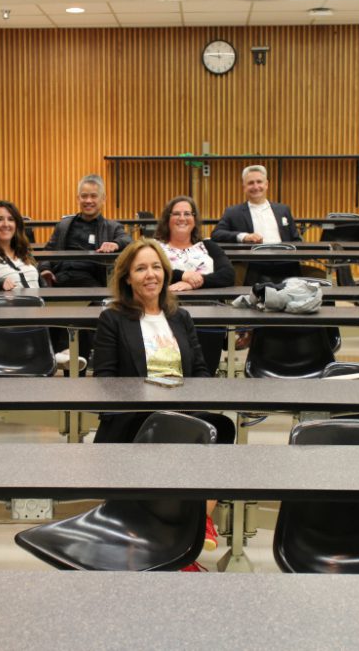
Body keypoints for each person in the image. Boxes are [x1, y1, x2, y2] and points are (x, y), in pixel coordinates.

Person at [92, 238, 236, 570]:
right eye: (141, 268)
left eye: (156, 267)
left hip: (182, 410)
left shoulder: (180, 316)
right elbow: (105, 381)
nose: (150, 275)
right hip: (136, 417)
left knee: (221, 428)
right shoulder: (113, 318)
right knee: (174, 440)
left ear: (166, 273)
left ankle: (197, 522)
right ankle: (180, 541)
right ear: (127, 277)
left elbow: (199, 369)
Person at [39, 174, 132, 366]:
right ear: (78, 198)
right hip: (59, 281)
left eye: (93, 196)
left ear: (103, 199)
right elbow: (48, 252)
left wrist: (114, 244)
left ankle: (73, 359)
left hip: (91, 284)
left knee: (90, 316)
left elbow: (128, 241)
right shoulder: (64, 225)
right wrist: (45, 270)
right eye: (84, 196)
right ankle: (56, 358)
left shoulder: (112, 227)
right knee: (42, 309)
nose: (88, 201)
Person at [154, 195, 235, 375]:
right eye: (176, 214)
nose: (182, 218)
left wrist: (196, 283)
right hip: (167, 316)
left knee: (204, 372)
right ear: (167, 219)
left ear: (194, 219)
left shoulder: (208, 246)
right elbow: (152, 275)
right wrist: (182, 275)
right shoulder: (156, 247)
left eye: (187, 213)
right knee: (170, 373)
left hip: (209, 317)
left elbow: (228, 275)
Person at [211, 164, 302, 284]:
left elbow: (295, 239)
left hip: (286, 265)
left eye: (259, 182)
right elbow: (216, 234)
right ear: (244, 187)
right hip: (253, 266)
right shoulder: (233, 212)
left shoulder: (283, 210)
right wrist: (244, 237)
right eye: (251, 183)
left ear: (266, 185)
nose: (256, 186)